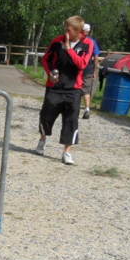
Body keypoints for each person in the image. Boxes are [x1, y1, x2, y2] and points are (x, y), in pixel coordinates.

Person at [35, 15, 96, 165]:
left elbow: (82, 64)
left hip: (73, 89)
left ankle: (67, 152)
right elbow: (45, 59)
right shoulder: (57, 41)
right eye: (65, 29)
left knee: (71, 120)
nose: (66, 32)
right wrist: (50, 73)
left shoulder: (88, 44)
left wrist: (69, 49)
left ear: (77, 31)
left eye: (68, 29)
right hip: (54, 87)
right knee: (46, 116)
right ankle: (42, 140)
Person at [81, 22, 100, 119]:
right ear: (88, 31)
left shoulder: (76, 39)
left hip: (79, 68)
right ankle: (87, 109)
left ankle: (72, 107)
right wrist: (95, 71)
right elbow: (96, 57)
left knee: (75, 87)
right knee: (86, 90)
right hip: (88, 68)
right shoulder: (93, 42)